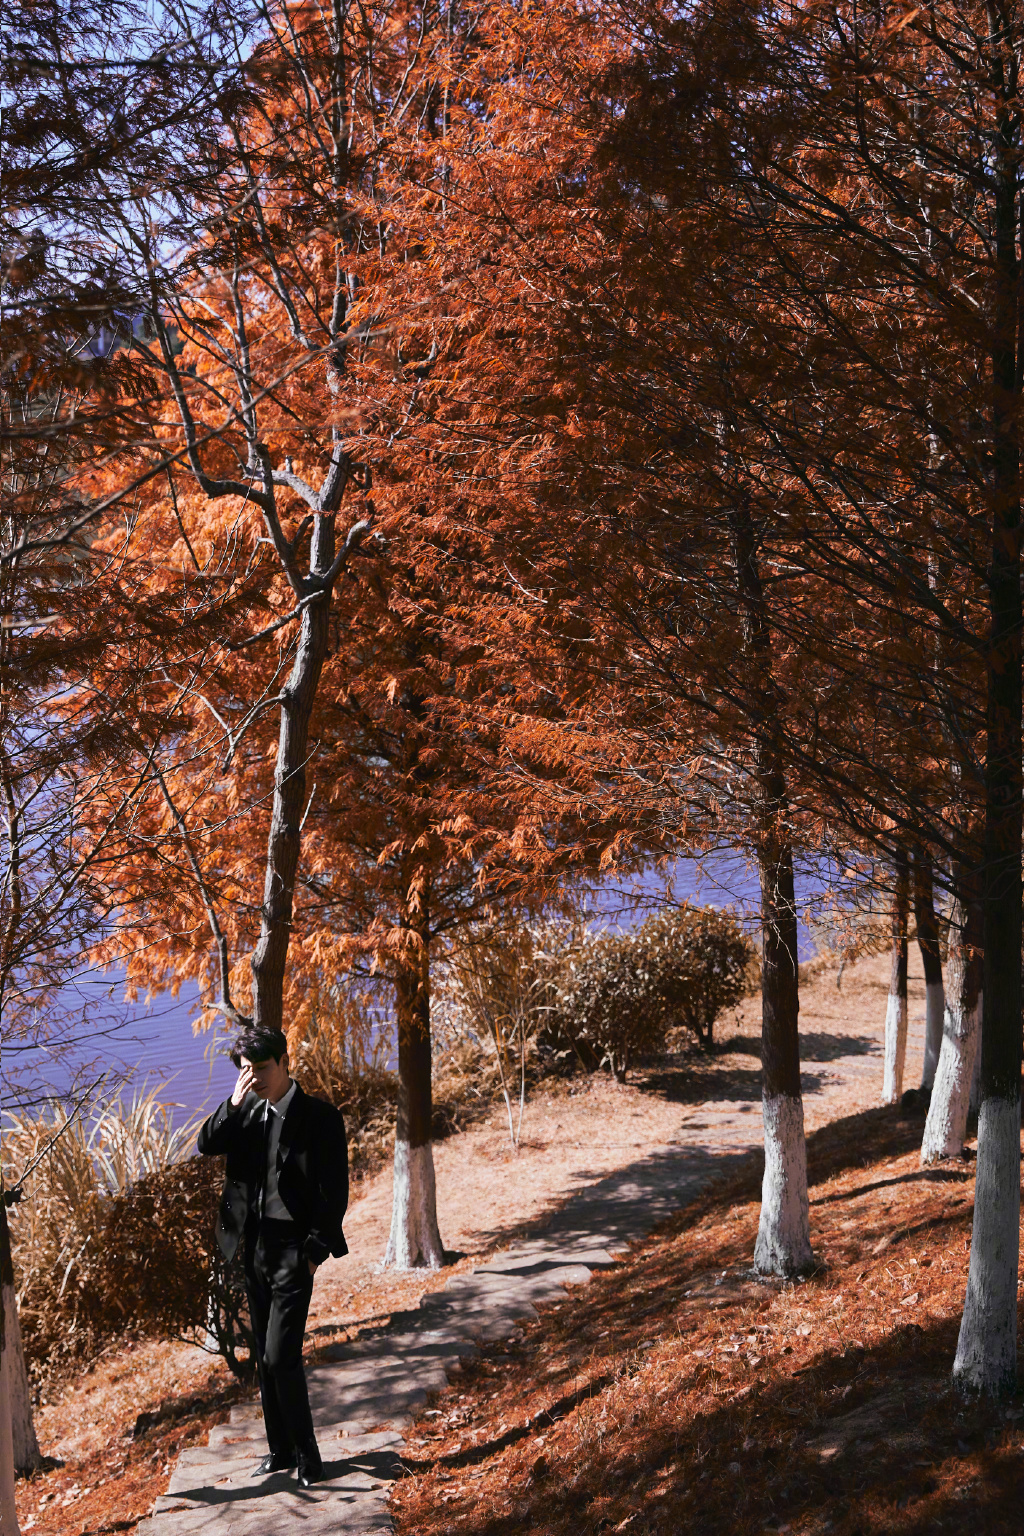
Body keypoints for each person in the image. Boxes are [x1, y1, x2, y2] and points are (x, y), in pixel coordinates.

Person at [198, 1025, 348, 1486]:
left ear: (284, 1062)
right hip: (255, 1248)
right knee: (264, 1358)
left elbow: (335, 1191)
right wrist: (234, 1103)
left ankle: (309, 1456)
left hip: (293, 1251)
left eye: (262, 1068)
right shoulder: (244, 1113)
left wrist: (314, 1251)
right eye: (246, 1070)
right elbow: (206, 1143)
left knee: (282, 1356)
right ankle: (280, 1450)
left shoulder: (320, 1118)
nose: (254, 1077)